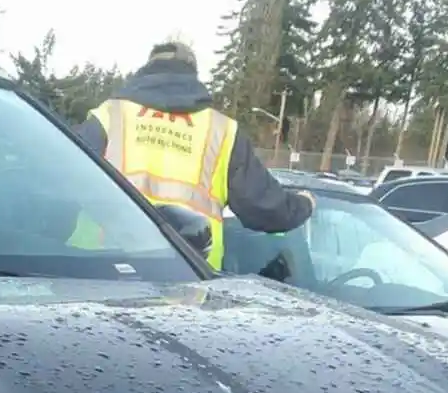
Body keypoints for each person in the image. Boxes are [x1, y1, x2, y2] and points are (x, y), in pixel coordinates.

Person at [77, 39, 312, 269]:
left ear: (147, 70)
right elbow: (265, 208)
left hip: (102, 271)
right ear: (192, 75)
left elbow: (57, 189)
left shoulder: (109, 116)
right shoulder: (222, 131)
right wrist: (303, 204)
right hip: (189, 277)